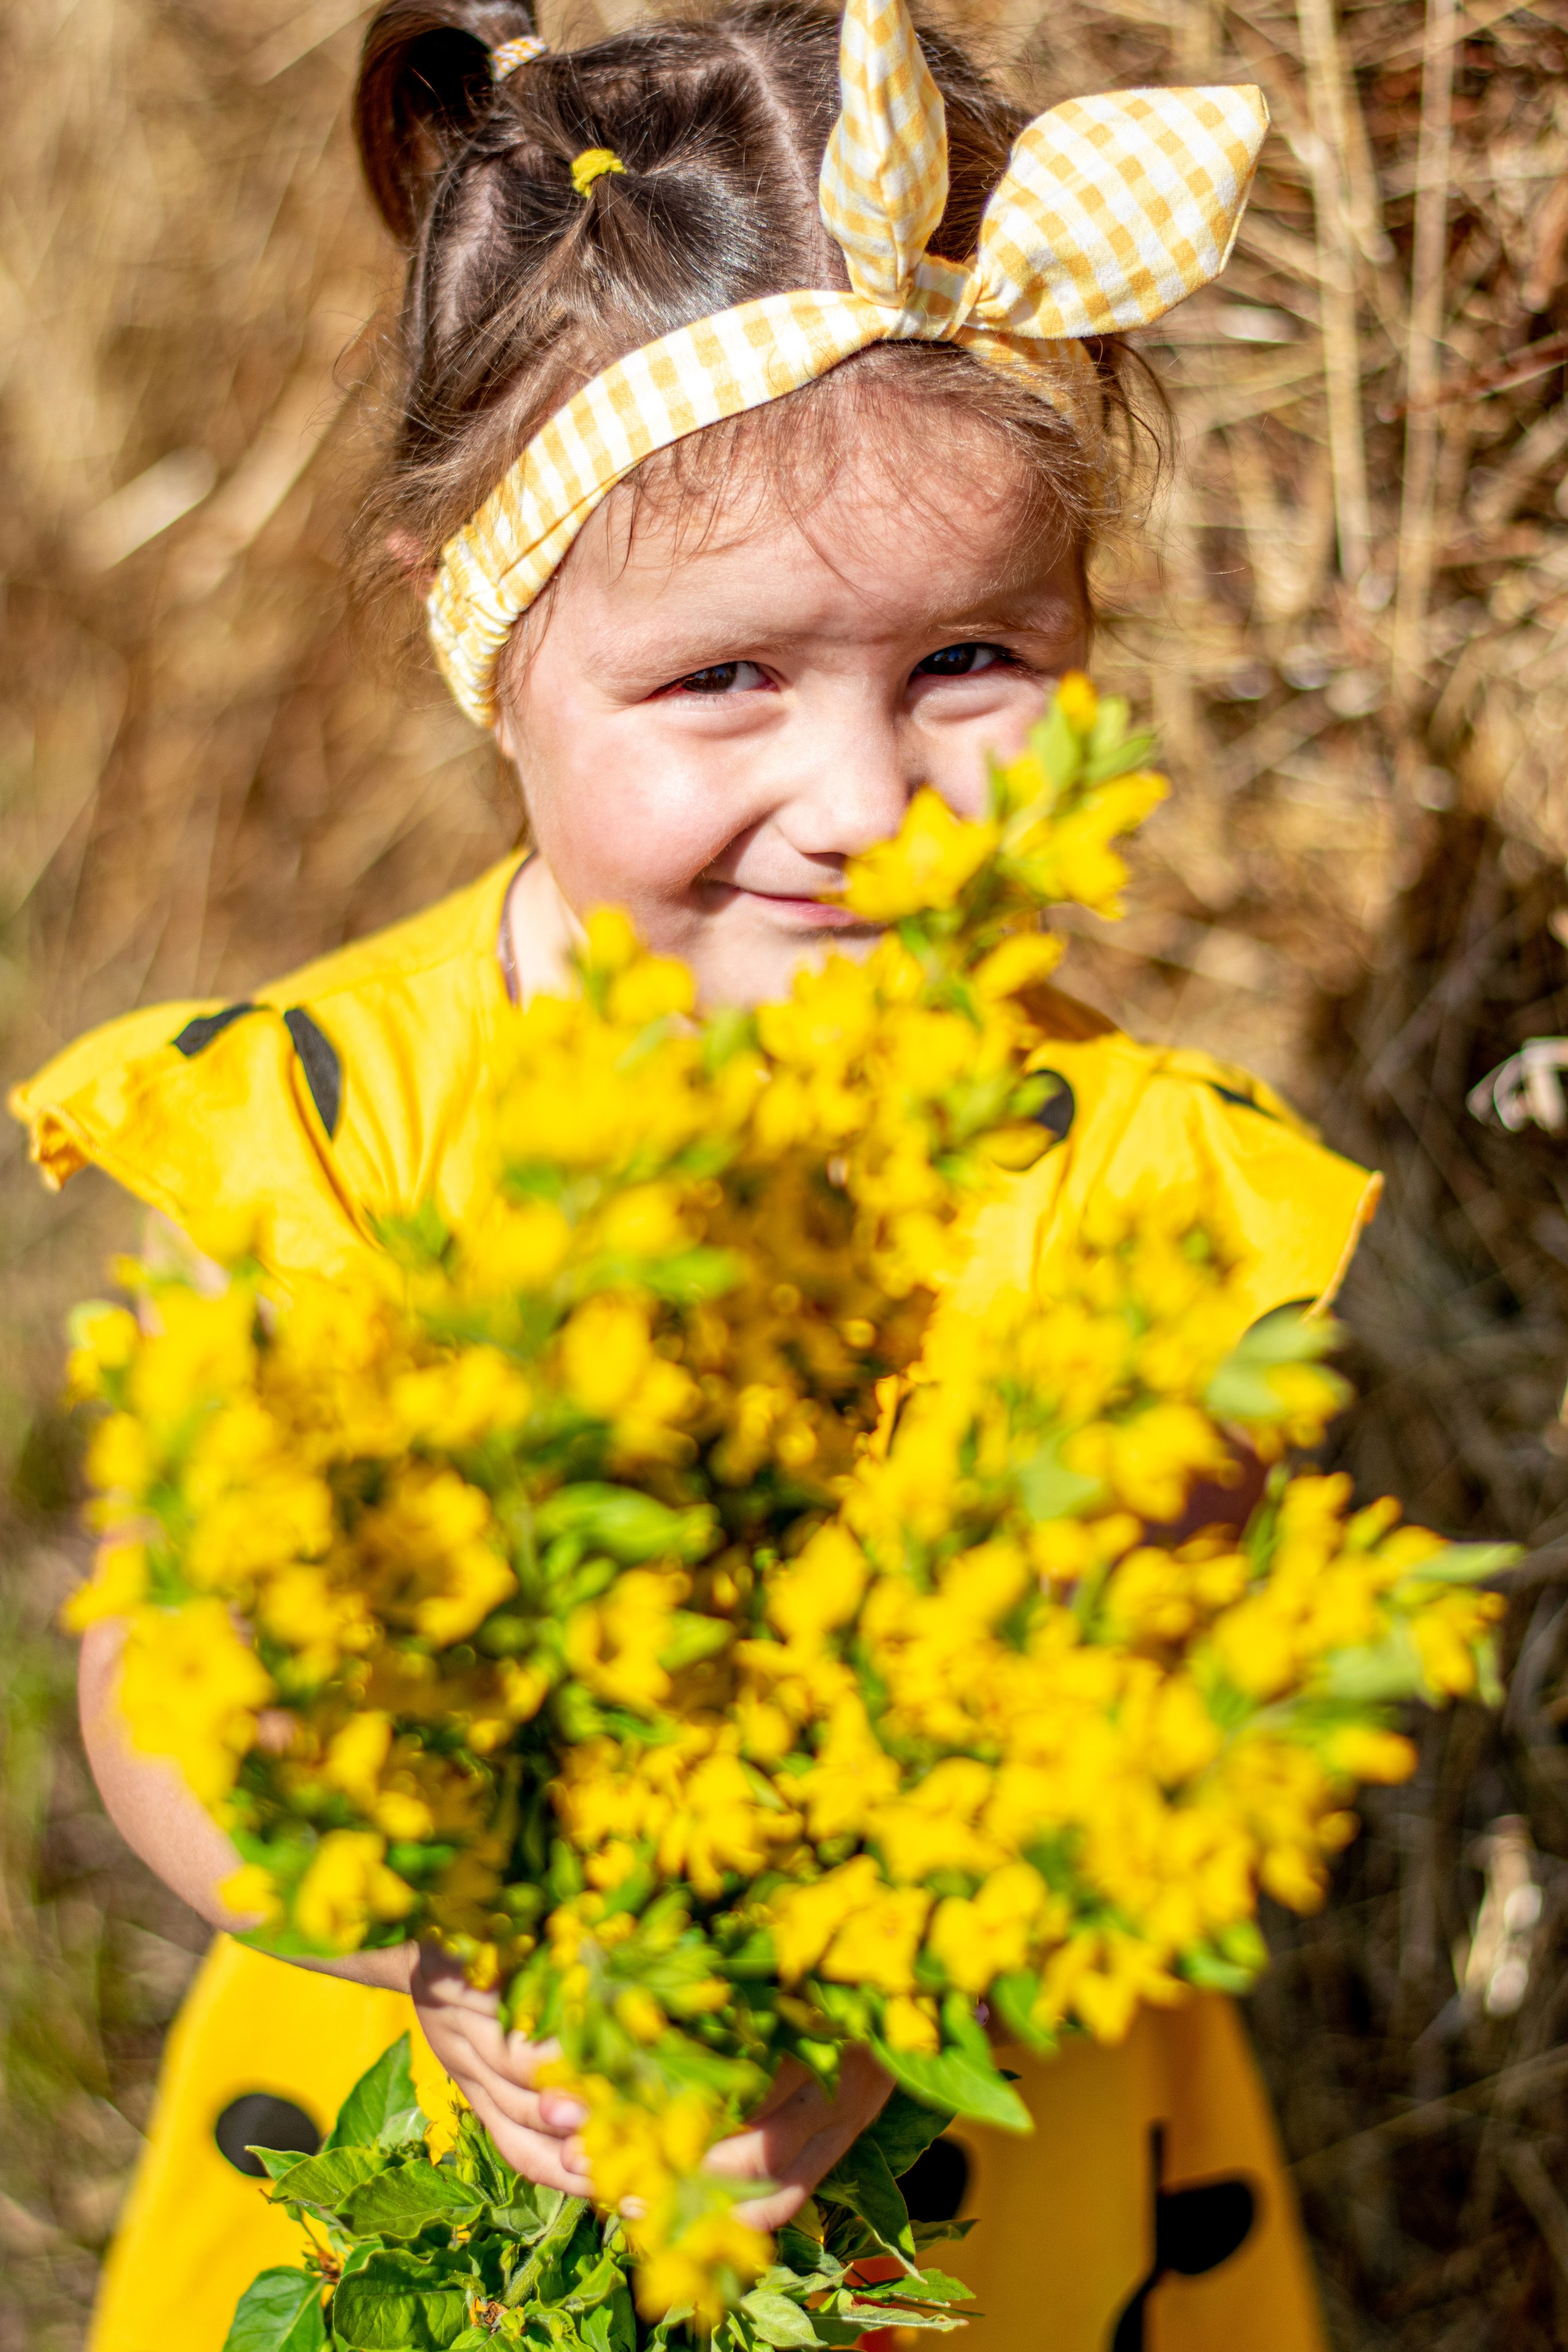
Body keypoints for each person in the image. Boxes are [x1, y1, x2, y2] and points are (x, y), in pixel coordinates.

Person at [12, 2, 1380, 2345]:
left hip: (978, 2173)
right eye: (725, 679)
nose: (863, 804)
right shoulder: (331, 1114)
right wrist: (434, 1935)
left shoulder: (1140, 1194)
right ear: (485, 634)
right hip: (433, 2136)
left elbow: (1163, 1703)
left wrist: (872, 1981)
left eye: (972, 659)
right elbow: (167, 1657)